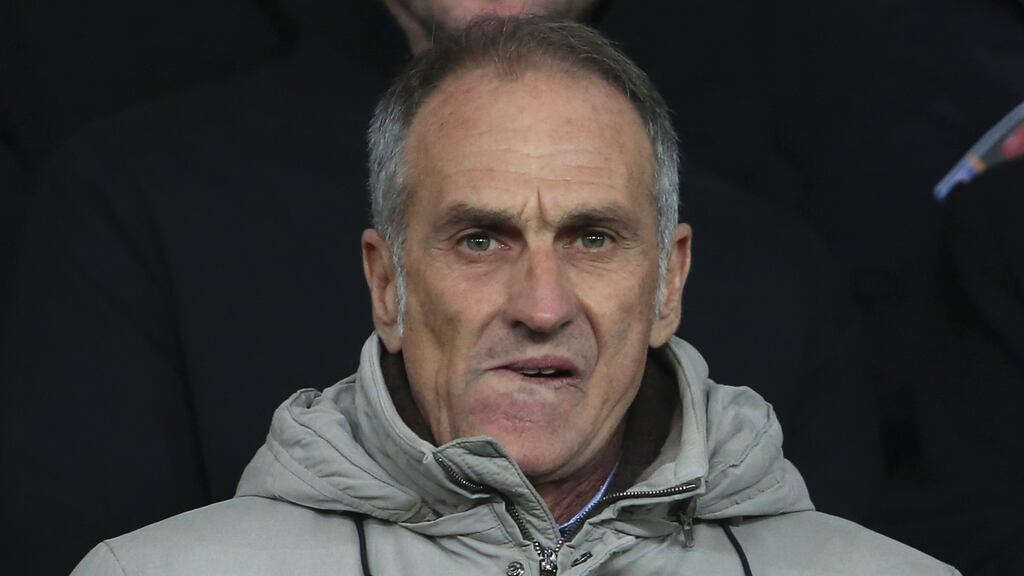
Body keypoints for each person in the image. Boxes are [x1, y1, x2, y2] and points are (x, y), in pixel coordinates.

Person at [2, 2, 880, 574]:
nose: (542, 305)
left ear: (671, 280)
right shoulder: (136, 195)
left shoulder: (786, 269)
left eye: (595, 238)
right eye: (477, 239)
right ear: (384, 284)